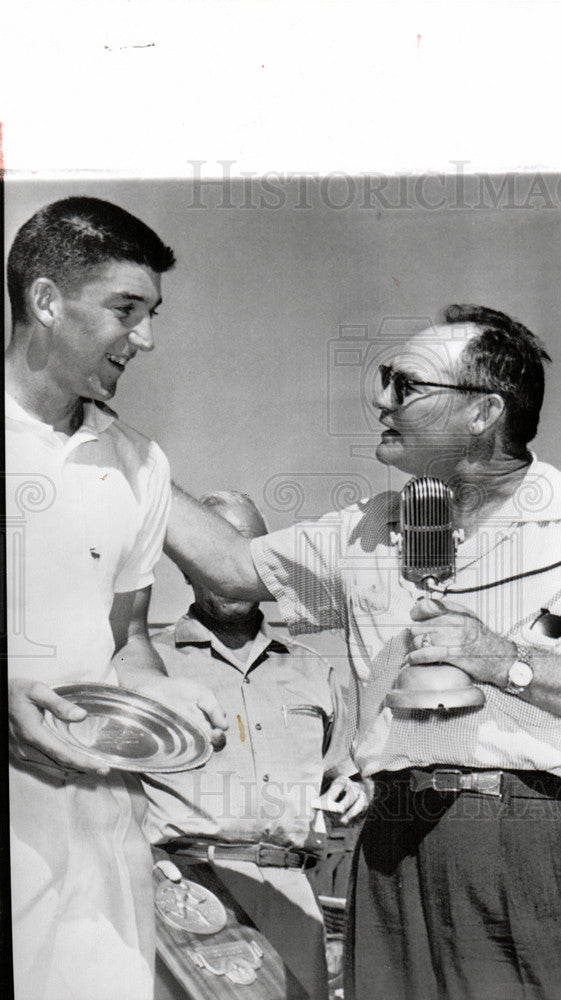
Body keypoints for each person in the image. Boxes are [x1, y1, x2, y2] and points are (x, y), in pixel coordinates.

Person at [165, 304, 561, 1000]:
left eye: (405, 384)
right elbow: (227, 567)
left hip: (535, 844)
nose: (379, 399)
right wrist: (124, 457)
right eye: (381, 379)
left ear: (483, 412)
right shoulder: (370, 528)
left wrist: (506, 662)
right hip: (392, 847)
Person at [5, 196, 228, 1000]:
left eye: (152, 313)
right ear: (45, 300)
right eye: (125, 310)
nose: (146, 338)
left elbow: (125, 637)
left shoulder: (141, 463)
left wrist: (156, 690)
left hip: (101, 822)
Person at [142, 489, 365, 1000]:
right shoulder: (149, 670)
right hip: (184, 889)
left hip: (291, 893)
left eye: (245, 548)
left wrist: (357, 790)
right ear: (187, 568)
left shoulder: (315, 671)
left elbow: (347, 777)